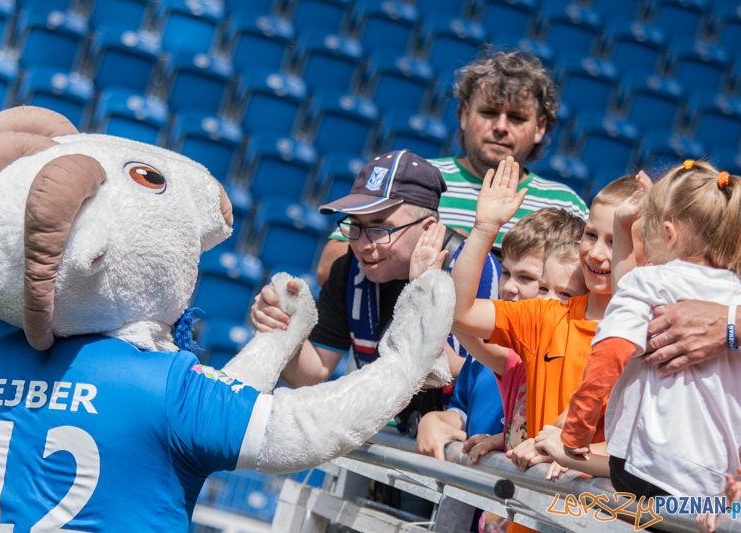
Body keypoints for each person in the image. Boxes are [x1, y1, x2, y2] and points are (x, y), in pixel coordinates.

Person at [249, 149, 501, 434]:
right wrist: (282, 327)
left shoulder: (475, 272)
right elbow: (313, 371)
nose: (363, 245)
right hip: (392, 445)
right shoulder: (348, 270)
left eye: (380, 229)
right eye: (356, 227)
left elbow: (492, 381)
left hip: (464, 453)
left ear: (429, 228)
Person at [315, 50, 588, 286]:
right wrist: (444, 248)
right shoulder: (413, 179)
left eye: (516, 118)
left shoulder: (565, 205)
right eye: (489, 112)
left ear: (539, 127)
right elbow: (326, 269)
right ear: (465, 114)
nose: (501, 127)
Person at [558, 161, 741, 497]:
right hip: (717, 478)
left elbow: (610, 352)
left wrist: (577, 428)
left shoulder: (647, 281)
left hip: (646, 468)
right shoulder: (740, 297)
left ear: (668, 233)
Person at [448, 157, 640, 477]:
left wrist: (568, 452)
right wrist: (484, 229)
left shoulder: (656, 335)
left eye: (617, 241)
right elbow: (459, 311)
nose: (596, 254)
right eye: (591, 235)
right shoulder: (546, 315)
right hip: (527, 520)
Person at [416, 207, 586, 462]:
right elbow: (465, 412)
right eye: (506, 272)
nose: (508, 287)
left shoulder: (584, 358)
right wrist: (434, 419)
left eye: (527, 278)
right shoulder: (492, 359)